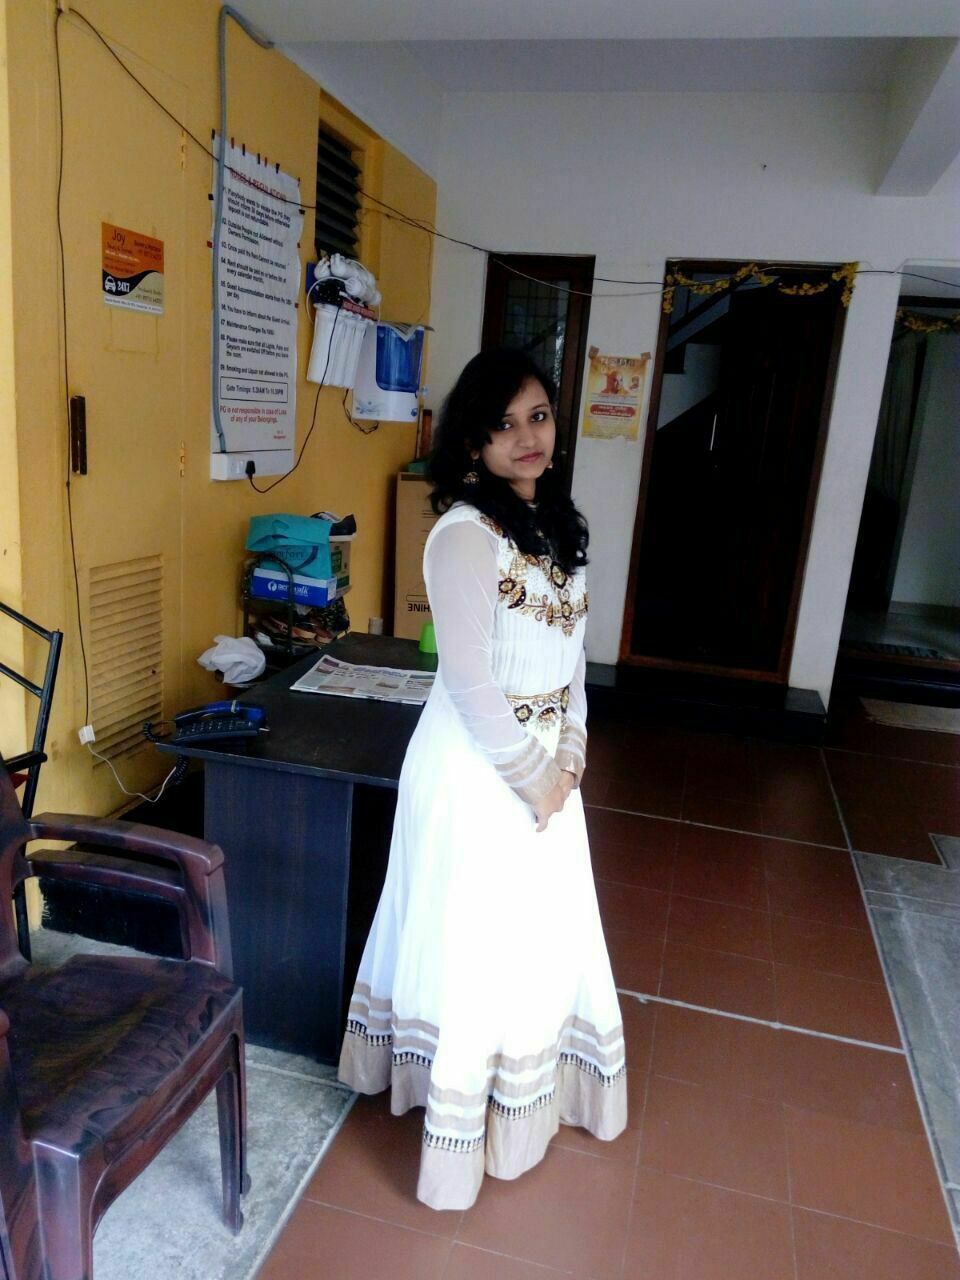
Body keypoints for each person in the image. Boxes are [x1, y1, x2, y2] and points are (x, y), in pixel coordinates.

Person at [338, 348, 626, 1210]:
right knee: (475, 941)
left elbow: (573, 660)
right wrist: (534, 778)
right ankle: (462, 1130)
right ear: (473, 442)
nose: (527, 438)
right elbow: (467, 681)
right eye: (504, 425)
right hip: (478, 771)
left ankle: (525, 1096)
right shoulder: (464, 534)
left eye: (538, 416)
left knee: (539, 937)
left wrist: (572, 751)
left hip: (550, 772)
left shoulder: (560, 527)